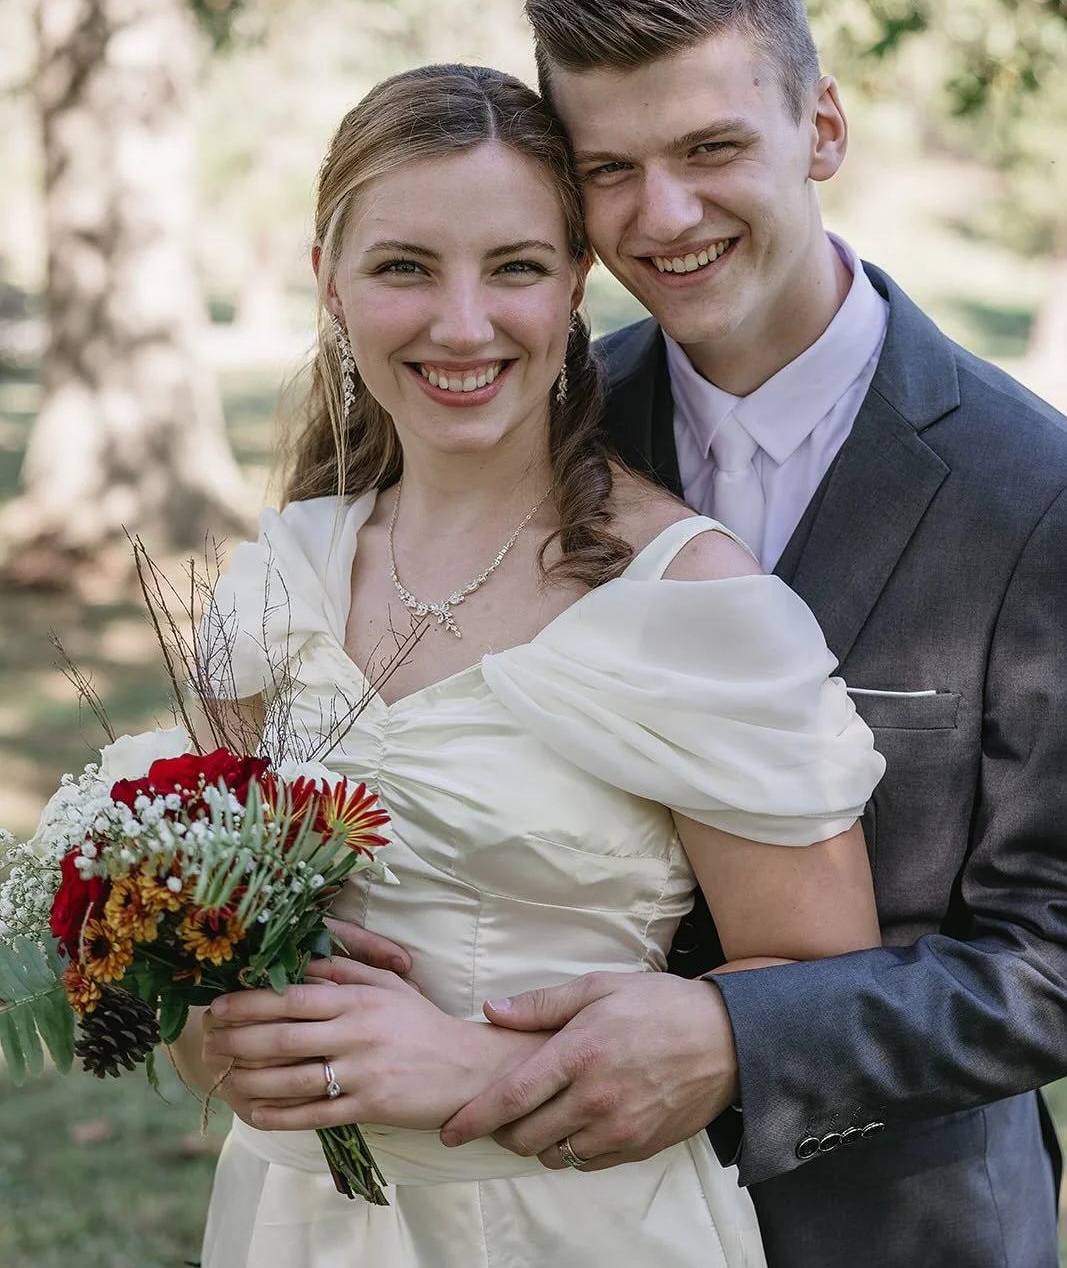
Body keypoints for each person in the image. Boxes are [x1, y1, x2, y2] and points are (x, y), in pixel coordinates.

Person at [430, 0, 1067, 1268]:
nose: (663, 215)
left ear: (819, 129)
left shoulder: (1033, 494)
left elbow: (1050, 951)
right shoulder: (540, 435)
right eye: (610, 169)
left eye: (711, 148)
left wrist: (734, 1038)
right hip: (562, 1212)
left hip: (897, 1222)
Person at [175, 62, 886, 1268]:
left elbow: (819, 995)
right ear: (328, 284)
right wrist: (216, 1030)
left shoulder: (693, 606)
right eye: (404, 267)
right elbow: (196, 979)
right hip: (294, 1221)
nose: (463, 325)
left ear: (574, 289)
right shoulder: (277, 579)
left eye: (513, 267)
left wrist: (476, 1065)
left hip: (573, 1222)